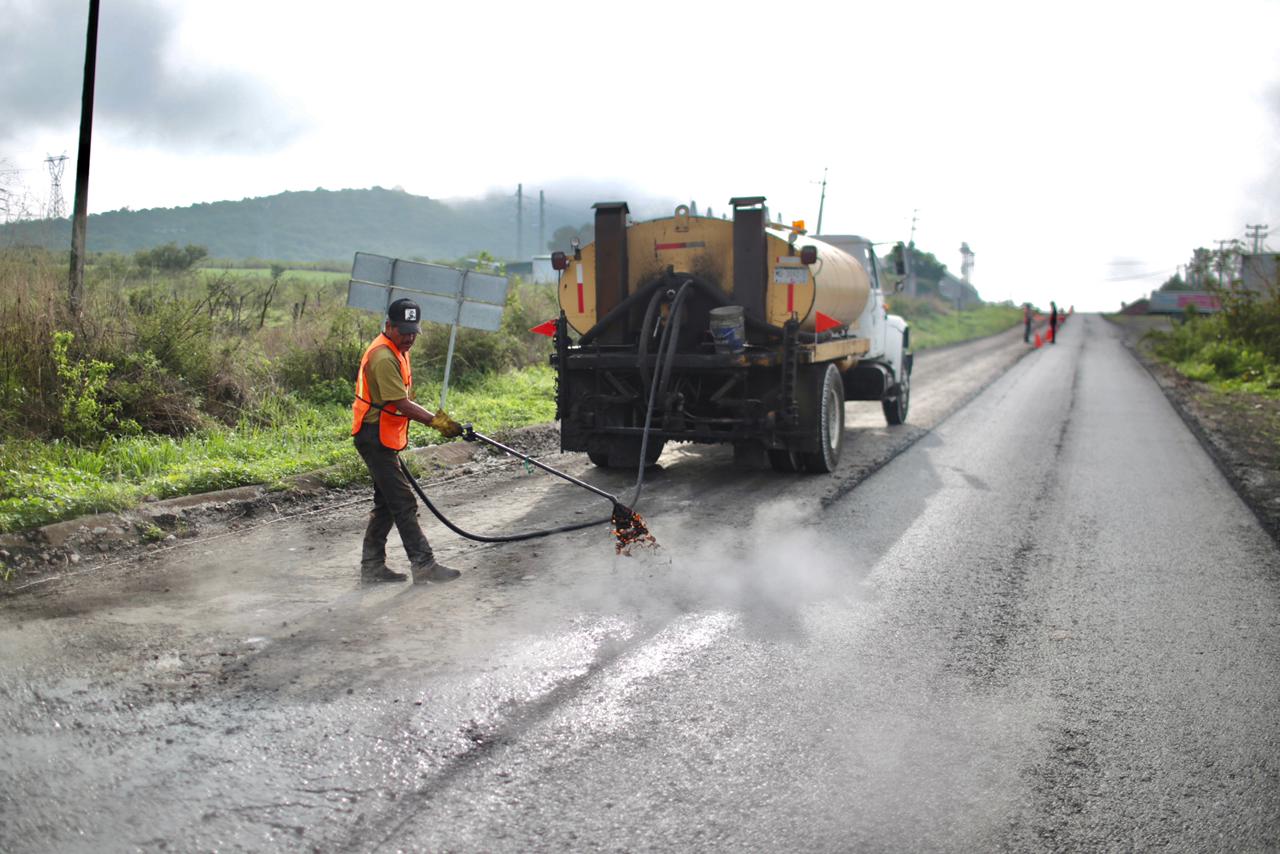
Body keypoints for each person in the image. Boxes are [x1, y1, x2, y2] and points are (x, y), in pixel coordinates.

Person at [351, 298, 461, 585]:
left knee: (387, 503)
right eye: (404, 331)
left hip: (380, 434)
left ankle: (372, 568)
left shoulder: (397, 349)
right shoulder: (384, 356)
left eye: (414, 332)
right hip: (373, 436)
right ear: (389, 326)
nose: (410, 337)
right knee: (403, 502)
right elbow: (401, 403)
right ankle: (424, 565)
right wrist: (439, 422)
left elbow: (403, 400)